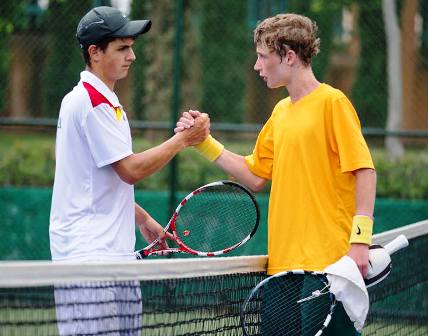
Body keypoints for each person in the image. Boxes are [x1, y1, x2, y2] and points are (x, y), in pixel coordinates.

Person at [176, 13, 376, 335]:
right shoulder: (280, 113)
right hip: (281, 270)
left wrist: (360, 241)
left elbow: (365, 170)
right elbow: (255, 175)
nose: (257, 66)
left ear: (289, 56)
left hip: (327, 266)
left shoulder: (333, 103)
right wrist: (204, 143)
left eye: (263, 56)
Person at [49, 6, 209, 335]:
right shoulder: (91, 102)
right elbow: (130, 170)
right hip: (90, 260)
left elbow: (94, 181)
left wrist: (143, 220)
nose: (132, 56)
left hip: (115, 255)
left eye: (131, 47)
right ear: (94, 52)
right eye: (122, 48)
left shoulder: (103, 100)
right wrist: (183, 139)